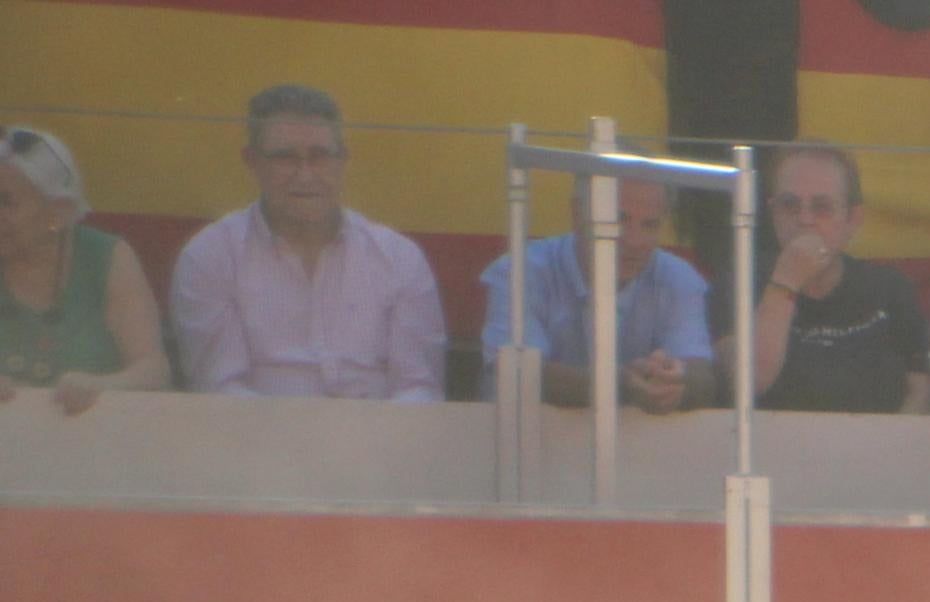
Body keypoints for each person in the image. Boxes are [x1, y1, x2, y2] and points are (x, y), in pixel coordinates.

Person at [168, 85, 445, 402]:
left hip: (378, 440)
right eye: (285, 158)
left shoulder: (399, 258)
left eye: (320, 156)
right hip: (255, 442)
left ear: (343, 159)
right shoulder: (211, 256)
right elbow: (219, 389)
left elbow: (419, 388)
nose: (305, 175)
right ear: (252, 161)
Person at [480, 171, 718, 413]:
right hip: (524, 445)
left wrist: (678, 379)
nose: (635, 241)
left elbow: (702, 377)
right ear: (577, 214)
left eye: (650, 224)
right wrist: (621, 384)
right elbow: (517, 374)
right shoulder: (518, 272)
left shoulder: (679, 278)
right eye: (617, 220)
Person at [744, 144, 930, 415]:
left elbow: (922, 388)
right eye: (789, 205)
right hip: (773, 449)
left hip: (876, 448)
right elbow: (747, 382)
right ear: (772, 211)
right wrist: (786, 281)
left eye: (822, 207)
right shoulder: (741, 281)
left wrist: (889, 449)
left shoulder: (890, 289)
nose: (805, 219)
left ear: (853, 219)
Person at [0, 127, 171, 414]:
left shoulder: (107, 257)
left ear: (59, 211)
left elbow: (153, 370)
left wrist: (101, 386)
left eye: (6, 202)